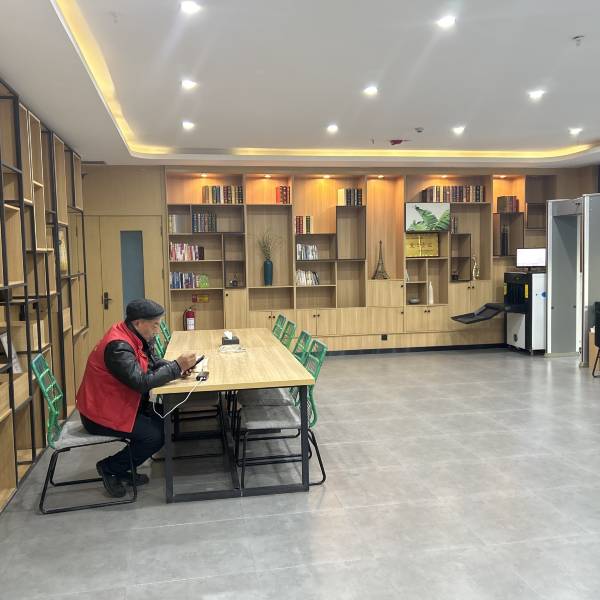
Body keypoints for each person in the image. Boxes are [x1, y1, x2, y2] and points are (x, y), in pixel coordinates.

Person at [76, 299, 197, 498]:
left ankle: (122, 467)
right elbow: (140, 382)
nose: (157, 330)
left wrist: (175, 368)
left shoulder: (132, 334)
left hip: (117, 404)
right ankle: (110, 468)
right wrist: (176, 367)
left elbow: (151, 362)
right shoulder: (118, 346)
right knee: (155, 436)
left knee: (164, 420)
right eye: (155, 324)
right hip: (99, 414)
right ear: (139, 323)